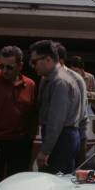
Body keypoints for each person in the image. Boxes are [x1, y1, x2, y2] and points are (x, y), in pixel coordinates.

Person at [0, 46, 37, 189]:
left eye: (9, 67)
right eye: (1, 66)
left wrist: (30, 137)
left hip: (21, 143)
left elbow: (33, 114)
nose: (4, 70)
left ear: (20, 66)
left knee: (18, 185)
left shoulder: (30, 85)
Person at [30, 40, 82, 174]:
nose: (33, 66)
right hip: (61, 136)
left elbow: (56, 120)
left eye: (35, 62)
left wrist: (45, 151)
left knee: (55, 182)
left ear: (48, 59)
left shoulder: (59, 81)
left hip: (62, 137)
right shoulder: (51, 79)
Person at [54, 45, 88, 166]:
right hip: (53, 137)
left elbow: (81, 112)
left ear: (60, 61)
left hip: (72, 135)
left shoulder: (76, 79)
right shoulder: (47, 78)